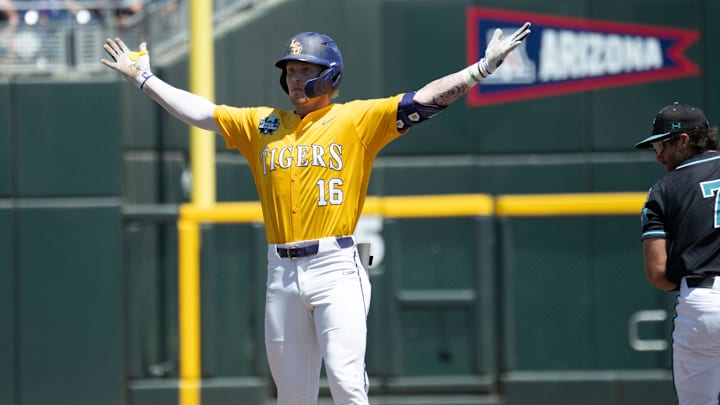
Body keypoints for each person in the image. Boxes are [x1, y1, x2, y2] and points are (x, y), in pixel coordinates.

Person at [101, 25, 531, 405]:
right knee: (291, 395)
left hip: (335, 267)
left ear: (329, 74)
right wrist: (144, 78)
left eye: (306, 69)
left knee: (346, 384)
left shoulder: (356, 119)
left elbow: (425, 98)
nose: (296, 78)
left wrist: (480, 70)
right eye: (291, 70)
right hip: (281, 273)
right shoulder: (264, 124)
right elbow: (202, 113)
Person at [635, 102, 720, 405]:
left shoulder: (664, 188)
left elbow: (658, 273)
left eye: (661, 145)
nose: (658, 155)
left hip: (702, 302)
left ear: (684, 141)